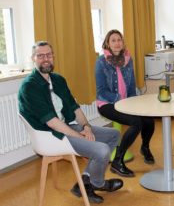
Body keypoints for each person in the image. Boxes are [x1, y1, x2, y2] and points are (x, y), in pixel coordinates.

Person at [18, 41, 123, 204]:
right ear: (33, 59)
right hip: (51, 135)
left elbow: (75, 108)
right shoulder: (29, 87)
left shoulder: (58, 79)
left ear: (53, 57)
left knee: (114, 135)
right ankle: (98, 183)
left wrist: (86, 127)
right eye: (40, 55)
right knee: (102, 151)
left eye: (49, 55)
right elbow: (52, 123)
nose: (46, 59)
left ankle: (86, 182)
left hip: (67, 127)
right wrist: (79, 135)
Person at [95, 29, 155, 177]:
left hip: (127, 102)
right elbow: (101, 91)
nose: (117, 43)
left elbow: (131, 85)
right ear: (108, 44)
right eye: (113, 40)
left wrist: (134, 103)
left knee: (148, 118)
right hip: (107, 104)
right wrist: (120, 100)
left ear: (123, 43)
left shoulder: (128, 59)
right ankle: (118, 161)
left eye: (119, 40)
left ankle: (145, 148)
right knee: (136, 123)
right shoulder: (101, 61)